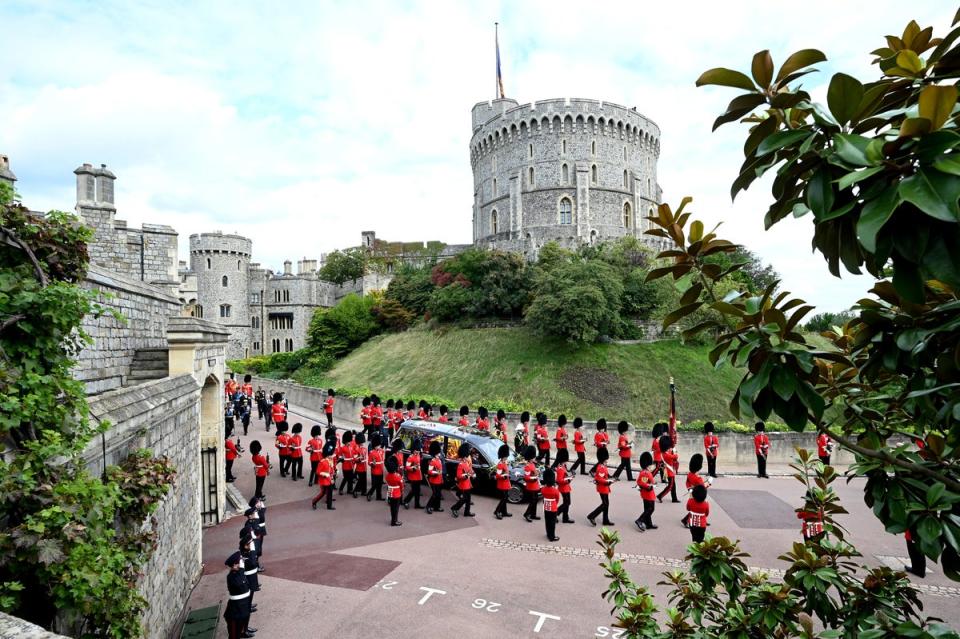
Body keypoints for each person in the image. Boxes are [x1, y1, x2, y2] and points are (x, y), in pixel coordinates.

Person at [223, 551, 252, 639]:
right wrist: (241, 568)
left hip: (242, 609)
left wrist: (241, 567)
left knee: (239, 632)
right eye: (240, 561)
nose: (242, 563)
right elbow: (240, 584)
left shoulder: (239, 572)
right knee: (234, 636)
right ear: (235, 565)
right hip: (235, 612)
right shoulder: (232, 577)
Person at [587, 447, 614, 526]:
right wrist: (609, 481)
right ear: (603, 458)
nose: (607, 460)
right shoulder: (601, 467)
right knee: (605, 504)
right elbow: (600, 479)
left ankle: (605, 520)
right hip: (602, 488)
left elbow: (606, 476)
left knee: (606, 503)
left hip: (604, 487)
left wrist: (611, 478)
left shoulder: (602, 465)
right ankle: (591, 516)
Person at [681, 454, 707, 527]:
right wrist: (709, 483)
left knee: (694, 507)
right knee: (696, 508)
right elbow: (703, 488)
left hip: (692, 493)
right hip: (698, 494)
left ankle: (702, 519)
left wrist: (689, 489)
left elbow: (687, 482)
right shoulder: (698, 478)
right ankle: (686, 520)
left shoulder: (690, 474)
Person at [450, 443, 475, 518]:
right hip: (464, 484)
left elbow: (470, 470)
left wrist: (473, 474)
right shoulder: (461, 464)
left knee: (468, 499)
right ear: (464, 456)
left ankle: (467, 512)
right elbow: (459, 476)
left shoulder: (466, 462)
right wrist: (467, 475)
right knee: (465, 499)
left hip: (468, 483)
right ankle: (454, 508)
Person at [239, 533, 260, 619]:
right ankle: (248, 607)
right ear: (245, 546)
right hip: (248, 577)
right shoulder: (244, 554)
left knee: (251, 594)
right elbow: (253, 562)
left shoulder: (247, 552)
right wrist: (252, 550)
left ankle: (249, 605)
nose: (252, 544)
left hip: (252, 576)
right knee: (249, 595)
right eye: (250, 543)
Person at [635, 452, 657, 532]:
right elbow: (642, 483)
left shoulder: (643, 472)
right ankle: (640, 520)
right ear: (648, 465)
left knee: (647, 509)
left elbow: (639, 482)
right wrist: (650, 486)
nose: (652, 466)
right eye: (651, 465)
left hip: (645, 494)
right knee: (651, 509)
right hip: (648, 494)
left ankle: (649, 524)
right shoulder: (646, 473)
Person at [311, 443, 337, 510]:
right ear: (328, 455)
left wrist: (334, 474)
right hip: (324, 480)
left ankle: (329, 506)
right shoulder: (322, 462)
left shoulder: (330, 461)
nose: (332, 456)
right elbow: (318, 472)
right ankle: (314, 501)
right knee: (323, 493)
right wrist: (324, 474)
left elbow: (331, 469)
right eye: (331, 455)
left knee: (330, 492)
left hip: (329, 479)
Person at [657, 435, 680, 503]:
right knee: (670, 486)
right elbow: (675, 456)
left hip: (669, 471)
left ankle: (674, 498)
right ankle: (660, 496)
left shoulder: (665, 452)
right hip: (669, 472)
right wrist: (675, 451)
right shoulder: (666, 454)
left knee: (673, 486)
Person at [402, 439, 424, 509]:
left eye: (418, 450)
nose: (418, 451)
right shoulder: (410, 457)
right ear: (414, 450)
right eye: (416, 450)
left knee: (417, 491)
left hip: (418, 475)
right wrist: (413, 468)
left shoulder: (418, 455)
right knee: (414, 491)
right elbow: (407, 467)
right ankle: (406, 501)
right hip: (413, 476)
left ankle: (417, 504)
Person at [521, 445, 541, 522]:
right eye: (533, 457)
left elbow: (533, 473)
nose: (534, 458)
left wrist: (537, 472)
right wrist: (534, 477)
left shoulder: (532, 464)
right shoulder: (527, 466)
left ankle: (533, 514)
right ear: (530, 458)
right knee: (533, 501)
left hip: (535, 485)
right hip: (531, 486)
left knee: (535, 500)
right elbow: (526, 477)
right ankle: (527, 514)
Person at [425, 440, 445, 514]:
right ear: (436, 453)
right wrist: (436, 472)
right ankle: (429, 506)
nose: (440, 454)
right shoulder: (432, 461)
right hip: (433, 480)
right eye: (439, 452)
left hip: (439, 480)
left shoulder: (439, 460)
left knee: (438, 494)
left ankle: (437, 507)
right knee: (434, 494)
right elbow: (430, 471)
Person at [555, 448, 574, 524]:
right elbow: (559, 480)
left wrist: (569, 477)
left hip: (566, 487)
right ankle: (556, 513)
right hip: (563, 488)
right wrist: (569, 479)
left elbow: (564, 476)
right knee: (567, 503)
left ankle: (565, 518)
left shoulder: (563, 466)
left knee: (567, 502)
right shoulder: (560, 468)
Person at [493, 444, 512, 520]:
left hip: (506, 483)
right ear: (503, 456)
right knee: (504, 498)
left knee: (505, 498)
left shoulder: (504, 463)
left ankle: (504, 512)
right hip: (502, 484)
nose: (507, 457)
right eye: (506, 456)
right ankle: (497, 511)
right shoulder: (500, 464)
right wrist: (504, 475)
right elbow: (498, 475)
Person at [542, 468, 561, 542]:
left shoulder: (543, 489)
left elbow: (543, 496)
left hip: (546, 506)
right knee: (552, 523)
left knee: (547, 521)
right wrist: (555, 504)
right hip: (553, 507)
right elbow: (557, 499)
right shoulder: (555, 490)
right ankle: (552, 536)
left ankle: (548, 533)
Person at [385, 456, 404, 526]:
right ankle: (394, 521)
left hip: (390, 493)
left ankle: (393, 520)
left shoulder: (387, 476)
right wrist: (402, 490)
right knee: (396, 508)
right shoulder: (397, 476)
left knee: (392, 508)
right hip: (397, 493)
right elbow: (401, 485)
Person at [366, 434, 386, 501]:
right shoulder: (372, 453)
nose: (379, 446)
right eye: (377, 445)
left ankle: (378, 496)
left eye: (379, 445)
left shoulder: (381, 451)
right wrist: (373, 464)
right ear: (374, 446)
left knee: (379, 484)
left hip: (380, 470)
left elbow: (383, 454)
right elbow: (369, 462)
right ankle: (369, 494)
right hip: (375, 470)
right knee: (374, 484)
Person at [337, 431, 356, 495]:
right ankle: (341, 489)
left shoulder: (351, 447)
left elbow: (353, 455)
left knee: (350, 478)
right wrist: (342, 459)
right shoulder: (342, 448)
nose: (349, 443)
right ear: (345, 441)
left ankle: (350, 489)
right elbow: (340, 456)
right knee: (345, 478)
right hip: (345, 465)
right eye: (348, 442)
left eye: (349, 441)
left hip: (351, 465)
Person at [352, 432, 368, 498]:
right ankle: (355, 491)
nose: (362, 443)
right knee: (361, 480)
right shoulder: (356, 449)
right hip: (359, 467)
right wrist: (359, 459)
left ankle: (363, 491)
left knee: (364, 480)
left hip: (364, 467)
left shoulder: (364, 449)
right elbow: (355, 459)